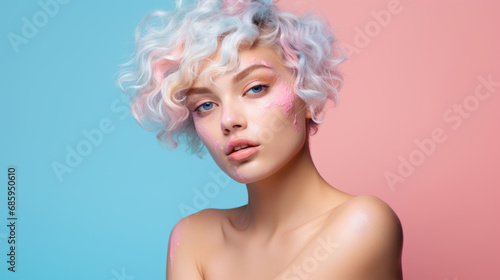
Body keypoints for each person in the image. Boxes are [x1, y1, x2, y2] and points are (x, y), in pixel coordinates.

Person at [119, 0, 403, 279]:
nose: (228, 120)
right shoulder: (192, 238)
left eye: (255, 88)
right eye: (205, 105)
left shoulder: (365, 222)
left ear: (309, 92)